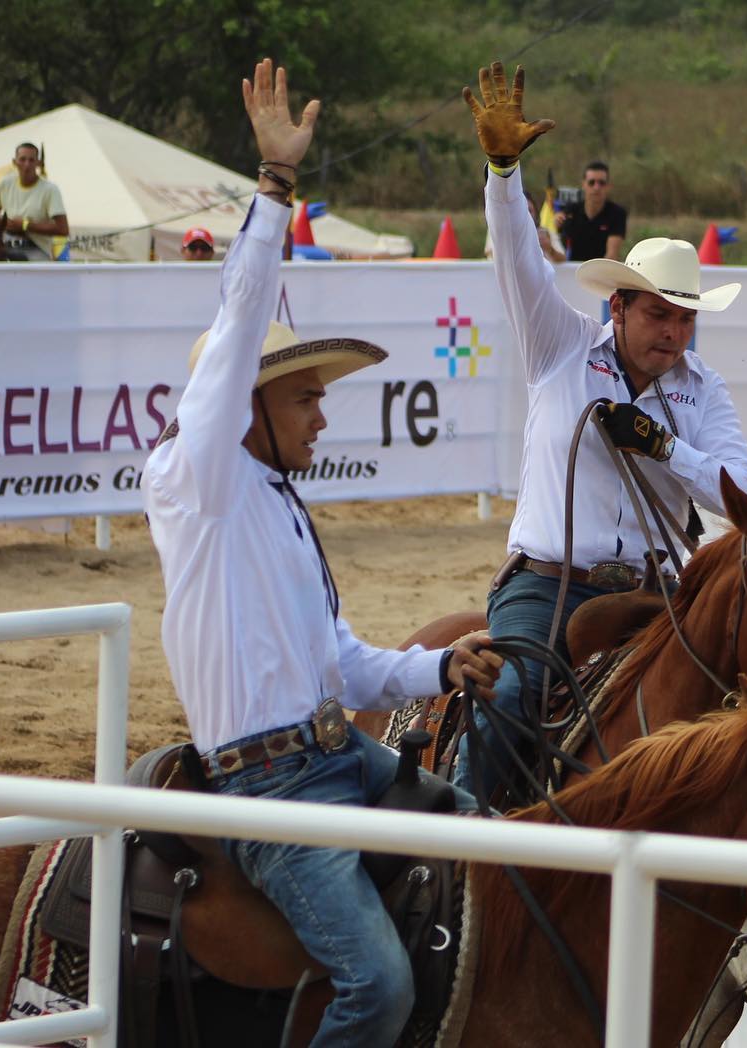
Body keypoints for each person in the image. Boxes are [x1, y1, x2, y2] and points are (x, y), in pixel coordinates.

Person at [143, 59, 503, 1047]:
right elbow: (233, 336)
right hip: (267, 791)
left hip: (339, 753)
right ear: (246, 407)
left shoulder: (274, 504)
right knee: (376, 986)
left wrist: (440, 666)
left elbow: (340, 660)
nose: (321, 414)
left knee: (497, 852)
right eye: (305, 396)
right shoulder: (199, 479)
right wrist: (273, 188)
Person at [458, 60, 747, 800]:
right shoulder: (559, 346)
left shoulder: (704, 390)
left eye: (685, 318)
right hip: (549, 588)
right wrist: (503, 175)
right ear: (617, 307)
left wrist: (665, 448)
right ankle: (460, 835)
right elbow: (519, 263)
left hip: (660, 595)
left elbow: (743, 498)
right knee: (507, 700)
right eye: (659, 314)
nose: (674, 332)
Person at [0, 142, 68, 260]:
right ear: (14, 162)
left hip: (37, 248)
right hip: (5, 244)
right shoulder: (4, 183)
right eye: (22, 159)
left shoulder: (50, 189)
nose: (27, 164)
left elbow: (63, 229)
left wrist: (25, 225)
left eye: (31, 160)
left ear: (38, 163)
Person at [556, 159, 625, 260]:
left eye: (601, 183)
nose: (596, 187)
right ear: (583, 184)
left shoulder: (617, 214)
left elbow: (611, 255)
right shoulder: (570, 211)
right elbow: (558, 250)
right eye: (591, 182)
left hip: (601, 268)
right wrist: (555, 225)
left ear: (608, 186)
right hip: (571, 268)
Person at [483, 189, 565, 264]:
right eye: (520, 211)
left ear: (535, 212)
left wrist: (550, 249)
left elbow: (563, 260)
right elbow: (492, 254)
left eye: (529, 210)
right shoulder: (499, 230)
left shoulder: (545, 233)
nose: (526, 215)